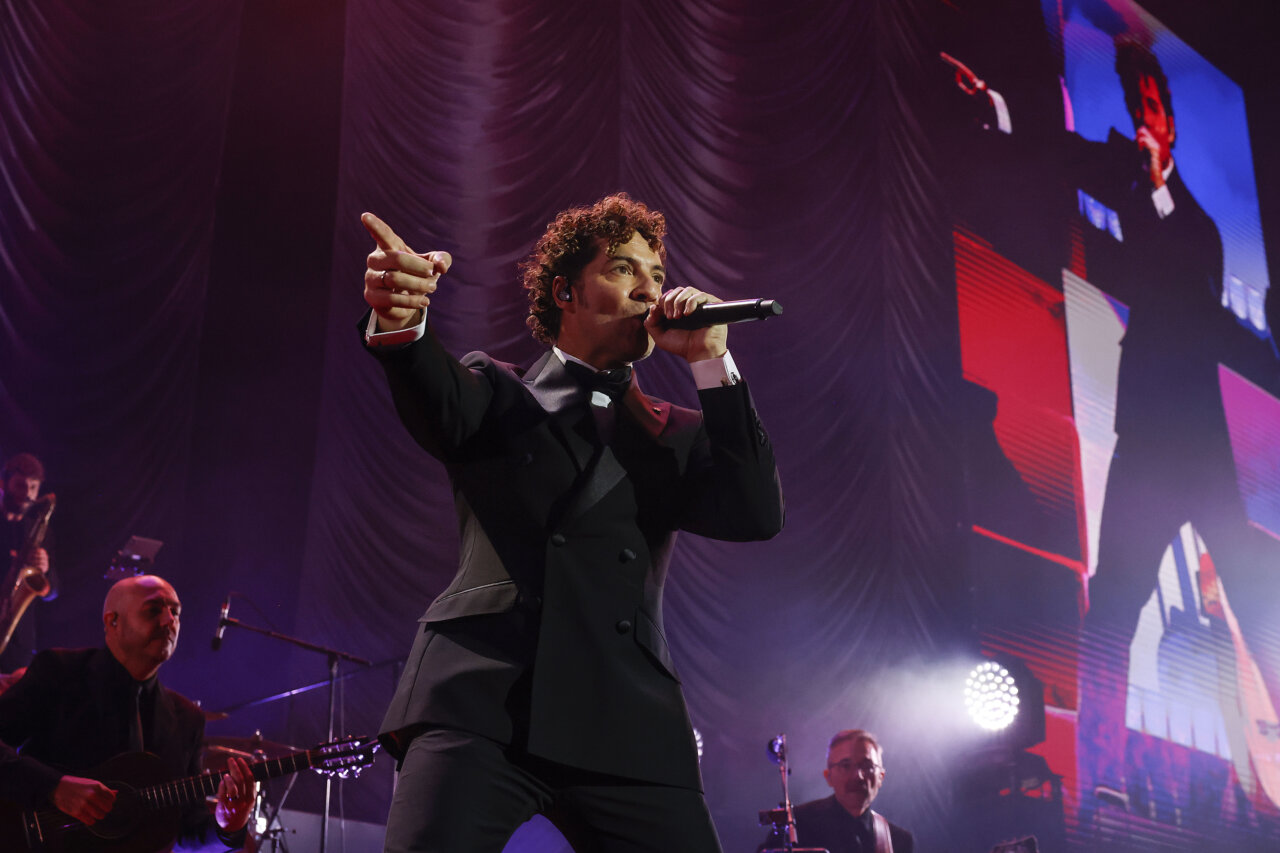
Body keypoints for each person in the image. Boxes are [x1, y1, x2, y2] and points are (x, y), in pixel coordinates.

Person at [359, 193, 785, 852]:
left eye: (656, 275)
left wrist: (710, 360)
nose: (648, 287)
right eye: (622, 268)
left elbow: (757, 513)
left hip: (627, 714)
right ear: (567, 291)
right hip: (483, 696)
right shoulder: (496, 392)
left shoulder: (676, 434)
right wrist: (401, 318)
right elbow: (433, 397)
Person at [0, 574, 256, 849]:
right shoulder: (60, 673)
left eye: (176, 612)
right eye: (154, 610)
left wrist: (229, 827)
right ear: (113, 621)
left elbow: (184, 833)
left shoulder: (186, 718)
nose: (170, 621)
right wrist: (52, 786)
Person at [760, 730, 914, 853]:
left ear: (881, 777)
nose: (857, 776)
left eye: (867, 766)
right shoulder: (796, 825)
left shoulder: (898, 840)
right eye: (846, 766)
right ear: (828, 777)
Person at [0, 453, 56, 673]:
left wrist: (45, 569)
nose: (27, 495)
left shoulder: (41, 532)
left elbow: (53, 592)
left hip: (19, 644)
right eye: (20, 486)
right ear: (4, 483)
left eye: (33, 488)